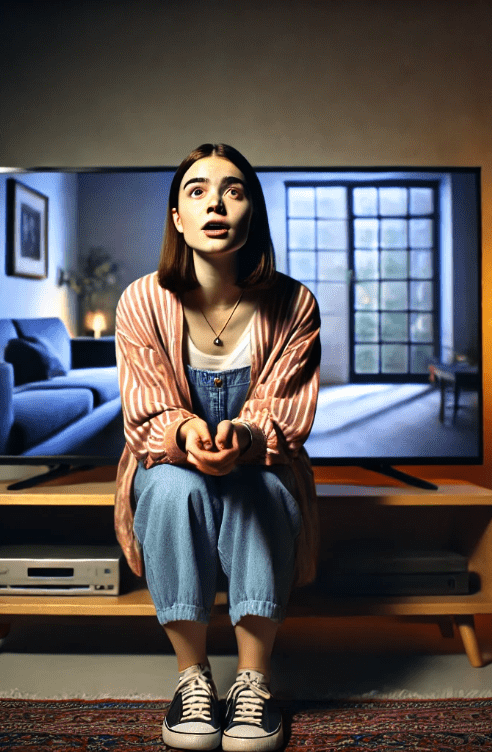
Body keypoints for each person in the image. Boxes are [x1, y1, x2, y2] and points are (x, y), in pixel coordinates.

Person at [113, 143, 321, 752]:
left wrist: (246, 437)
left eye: (233, 190)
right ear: (177, 217)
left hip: (265, 460)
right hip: (166, 459)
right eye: (197, 191)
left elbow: (288, 410)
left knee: (256, 487)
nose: (216, 204)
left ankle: (254, 681)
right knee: (177, 487)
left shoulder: (294, 302)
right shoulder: (141, 301)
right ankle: (193, 678)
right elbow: (144, 409)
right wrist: (185, 433)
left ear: (251, 211)